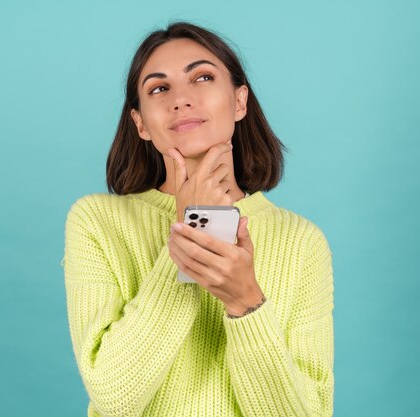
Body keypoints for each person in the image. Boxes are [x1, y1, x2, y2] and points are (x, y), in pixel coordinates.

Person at [63, 21, 334, 417]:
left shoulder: (301, 240)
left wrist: (245, 302)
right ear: (140, 123)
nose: (181, 99)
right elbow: (114, 397)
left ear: (239, 101)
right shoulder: (96, 221)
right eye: (159, 88)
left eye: (202, 77)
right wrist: (195, 227)